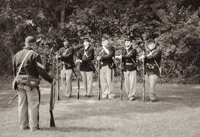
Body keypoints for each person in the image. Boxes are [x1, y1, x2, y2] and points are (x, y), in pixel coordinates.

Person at [13, 36, 55, 131]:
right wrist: (51, 80)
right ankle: (34, 127)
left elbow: (14, 71)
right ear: (33, 44)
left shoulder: (17, 55)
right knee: (33, 105)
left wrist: (16, 82)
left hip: (19, 82)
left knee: (22, 105)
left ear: (25, 44)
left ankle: (23, 126)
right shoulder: (35, 55)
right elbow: (41, 71)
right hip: (30, 83)